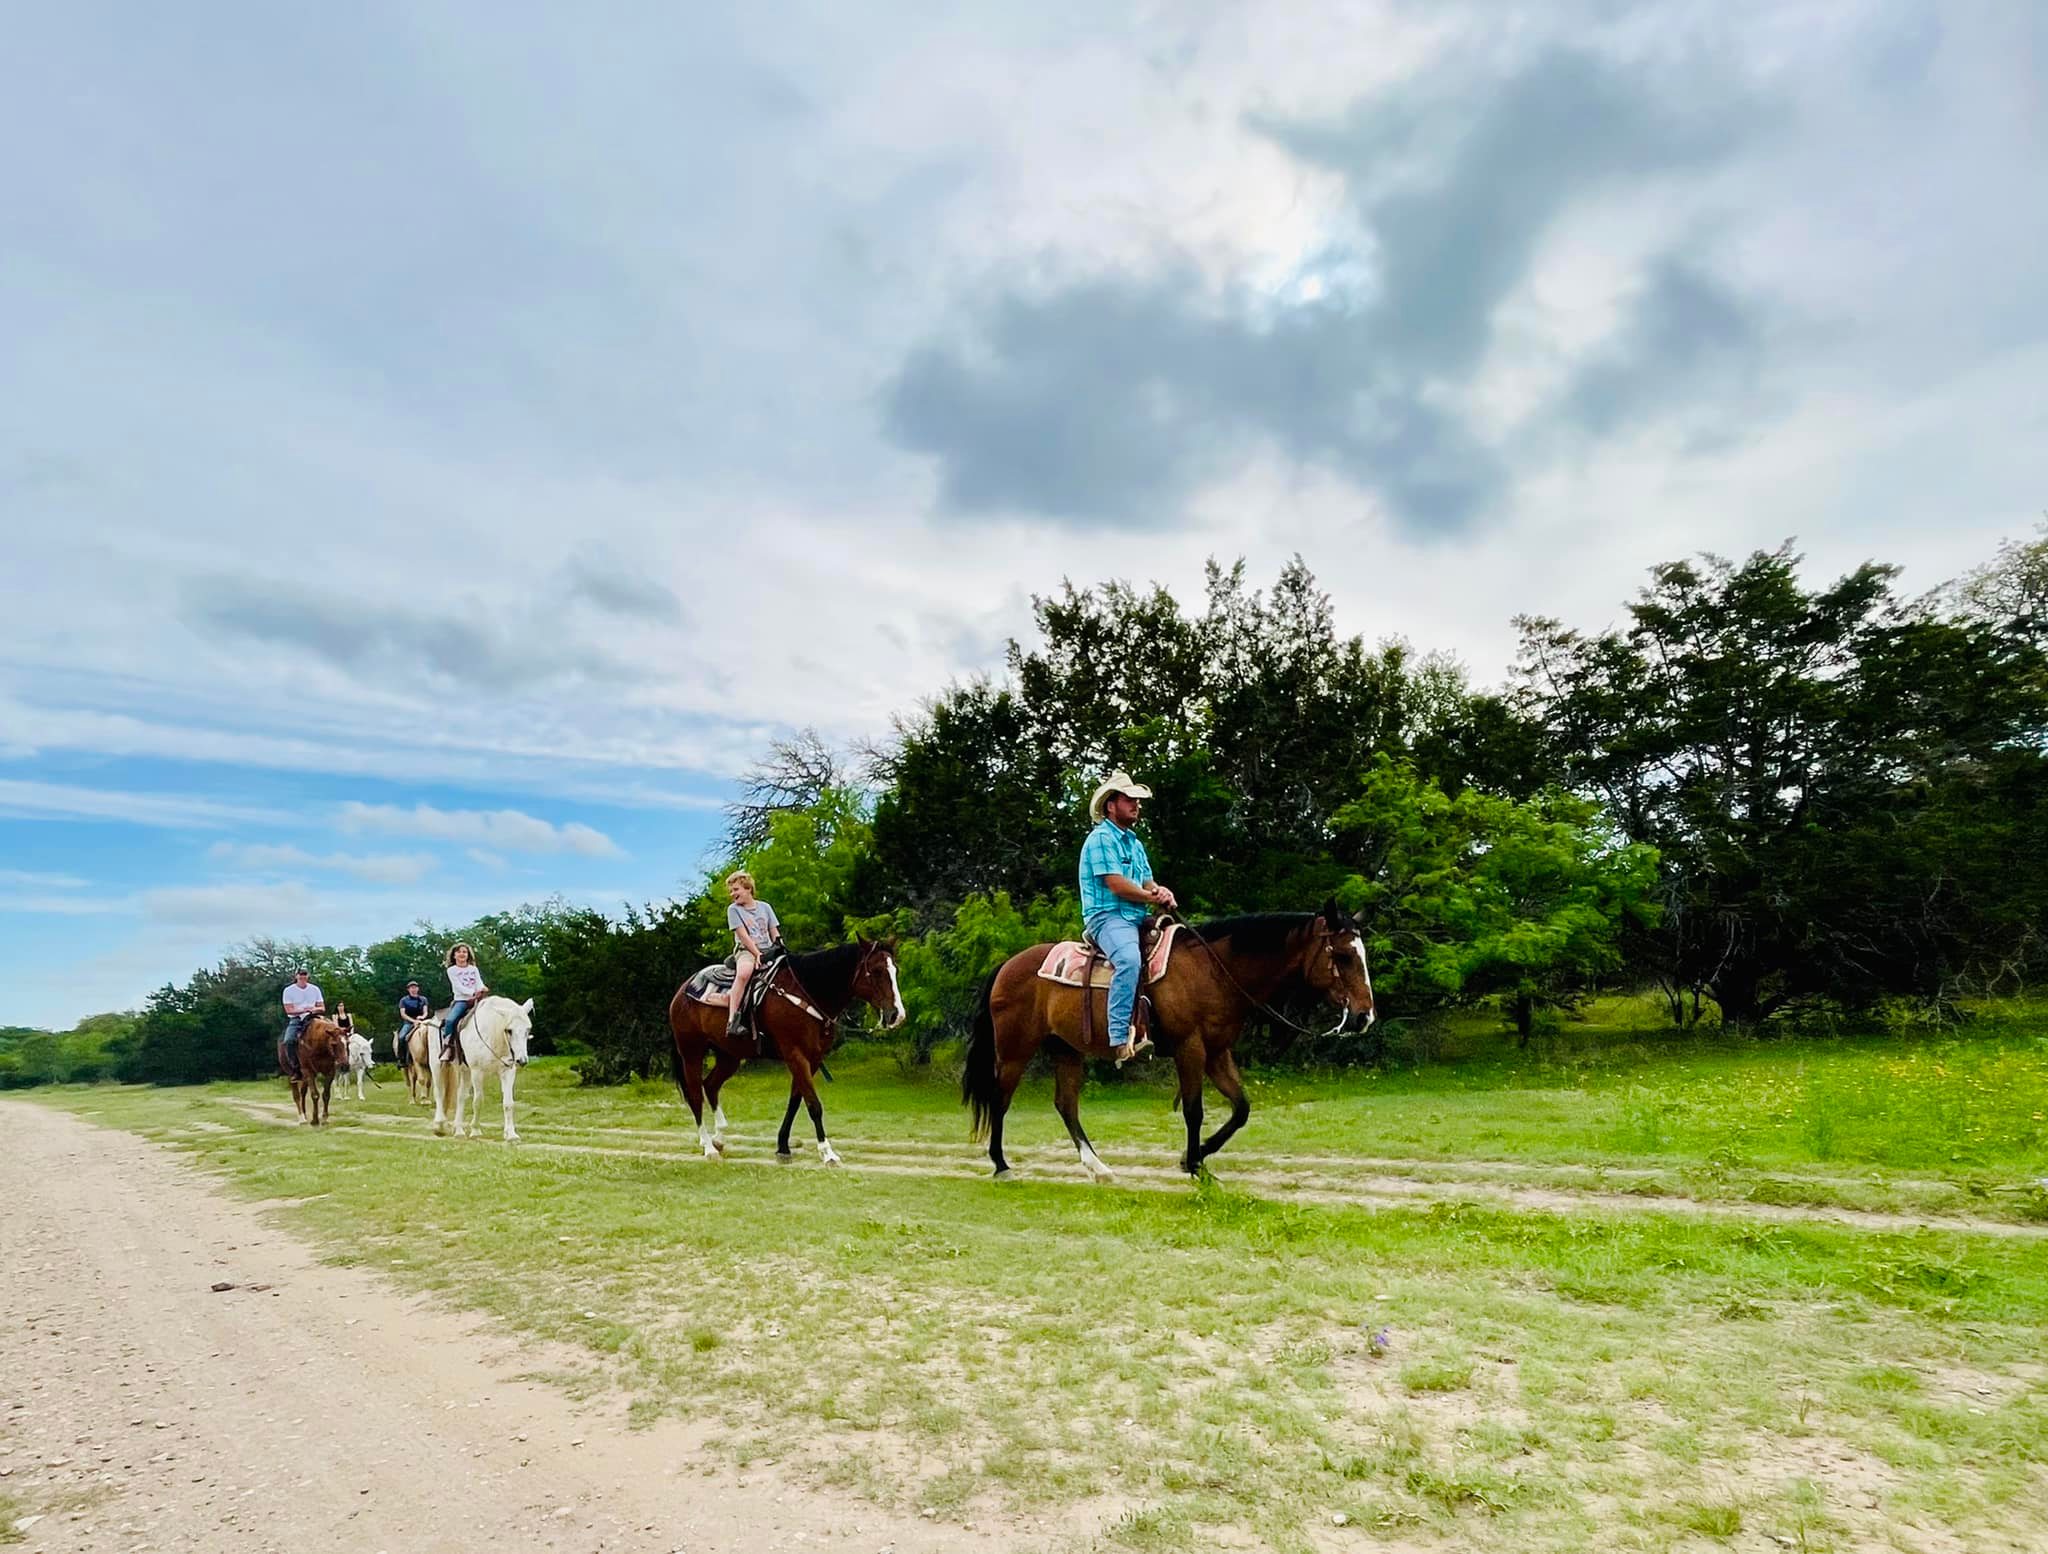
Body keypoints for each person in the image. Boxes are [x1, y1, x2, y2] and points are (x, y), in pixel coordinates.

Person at [1079, 771, 1177, 1064]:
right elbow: (1115, 883)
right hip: (1107, 917)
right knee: (1129, 960)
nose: (1136, 805)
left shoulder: (1134, 843)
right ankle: (1119, 1039)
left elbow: (1147, 881)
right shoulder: (1101, 839)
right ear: (1111, 806)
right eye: (1129, 799)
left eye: (1137, 800)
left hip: (1135, 917)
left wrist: (1161, 892)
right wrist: (1150, 898)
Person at [723, 870, 783, 1039]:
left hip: (768, 949)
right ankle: (732, 1020)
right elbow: (743, 936)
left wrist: (781, 946)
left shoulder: (765, 907)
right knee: (744, 974)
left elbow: (773, 930)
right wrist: (757, 954)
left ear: (748, 888)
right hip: (747, 951)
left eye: (736, 889)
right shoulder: (733, 910)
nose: (732, 894)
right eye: (731, 891)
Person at [441, 943, 490, 1062]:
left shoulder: (473, 969)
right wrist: (473, 993)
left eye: (465, 952)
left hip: (478, 999)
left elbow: (479, 982)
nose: (462, 954)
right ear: (454, 955)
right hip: (462, 1001)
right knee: (450, 1020)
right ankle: (448, 1047)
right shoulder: (452, 970)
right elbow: (458, 987)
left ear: (468, 955)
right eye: (459, 952)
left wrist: (482, 988)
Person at [280, 967, 325, 1080]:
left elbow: (322, 1007)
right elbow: (289, 1010)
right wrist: (304, 1010)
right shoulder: (288, 990)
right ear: (296, 976)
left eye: (305, 975)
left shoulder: (315, 989)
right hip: (297, 1018)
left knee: (334, 1034)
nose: (303, 977)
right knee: (289, 1040)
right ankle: (296, 1069)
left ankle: (335, 1061)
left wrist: (313, 1010)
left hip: (314, 1016)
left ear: (308, 976)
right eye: (300, 975)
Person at [396, 979, 430, 1065]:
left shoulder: (423, 999)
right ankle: (402, 1059)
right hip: (409, 1022)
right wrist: (413, 1021)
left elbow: (425, 1012)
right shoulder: (404, 1000)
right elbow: (403, 1014)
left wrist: (422, 1017)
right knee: (401, 1037)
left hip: (422, 1021)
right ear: (408, 989)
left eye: (415, 987)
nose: (413, 989)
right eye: (411, 988)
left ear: (418, 989)